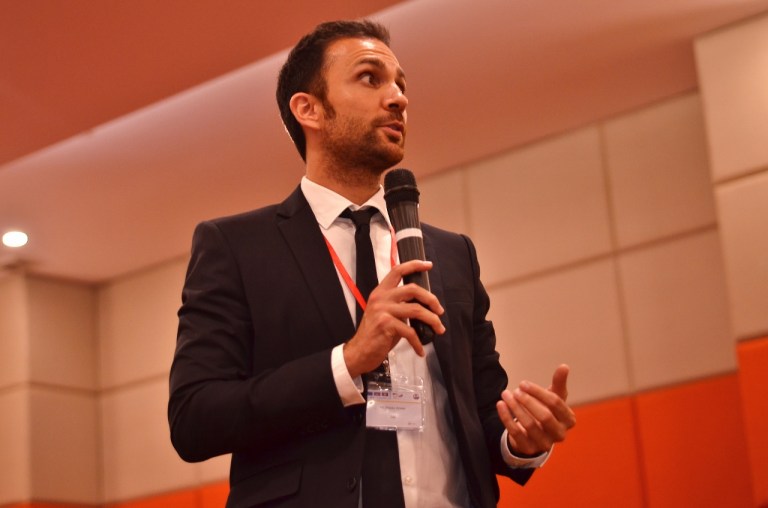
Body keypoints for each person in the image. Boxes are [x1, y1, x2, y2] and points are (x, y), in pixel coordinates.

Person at [168, 19, 575, 508]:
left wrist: (521, 441)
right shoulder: (237, 247)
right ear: (309, 109)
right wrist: (347, 362)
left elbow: (483, 414)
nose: (398, 98)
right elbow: (194, 418)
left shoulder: (452, 254)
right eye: (370, 78)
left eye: (401, 84)